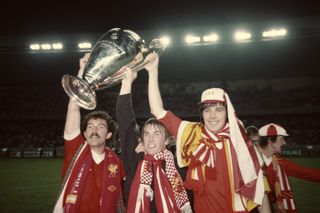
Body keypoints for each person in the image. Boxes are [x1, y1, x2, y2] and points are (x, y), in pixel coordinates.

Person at [145, 52, 264, 213]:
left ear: (227, 112)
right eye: (207, 110)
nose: (213, 116)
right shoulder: (193, 133)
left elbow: (256, 185)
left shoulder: (239, 139)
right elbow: (157, 110)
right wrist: (153, 72)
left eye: (219, 110)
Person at [53, 54, 125, 213]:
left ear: (108, 135)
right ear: (84, 133)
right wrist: (82, 73)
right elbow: (73, 109)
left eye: (100, 126)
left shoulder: (116, 161)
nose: (94, 130)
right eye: (90, 126)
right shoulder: (75, 149)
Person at [116, 67, 192, 212]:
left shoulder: (179, 165)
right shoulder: (135, 158)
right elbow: (125, 121)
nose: (150, 138)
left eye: (157, 134)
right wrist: (126, 82)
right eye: (147, 134)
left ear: (167, 141)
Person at [256, 123, 320, 213]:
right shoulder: (249, 160)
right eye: (281, 139)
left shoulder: (281, 164)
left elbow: (307, 173)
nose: (284, 143)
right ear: (270, 141)